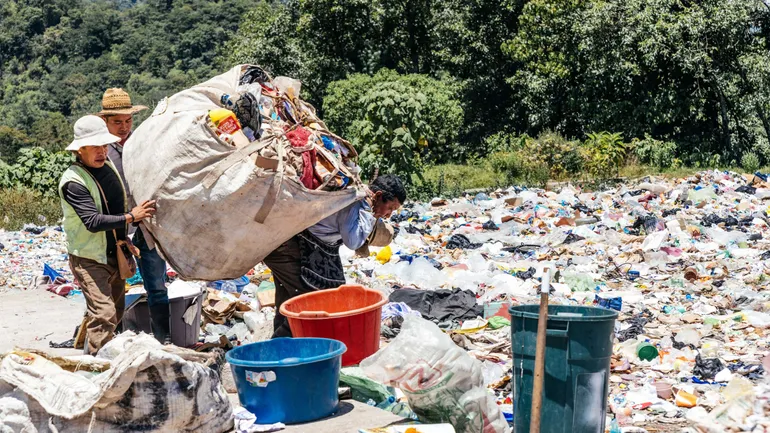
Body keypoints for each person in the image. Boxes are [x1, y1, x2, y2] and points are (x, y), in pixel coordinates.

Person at [59, 115, 156, 355]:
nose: (102, 152)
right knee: (104, 314)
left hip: (115, 251)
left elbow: (114, 205)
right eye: (95, 147)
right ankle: (99, 366)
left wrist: (125, 238)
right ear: (80, 150)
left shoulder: (107, 166)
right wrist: (131, 217)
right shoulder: (73, 181)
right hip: (90, 258)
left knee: (116, 310)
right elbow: (92, 221)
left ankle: (100, 352)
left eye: (104, 145)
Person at [264, 174, 406, 337]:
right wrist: (371, 216)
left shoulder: (357, 197)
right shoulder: (355, 202)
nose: (388, 215)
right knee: (310, 302)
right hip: (289, 247)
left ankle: (282, 349)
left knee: (288, 299)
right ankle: (279, 347)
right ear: (379, 195)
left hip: (290, 244)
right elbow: (352, 241)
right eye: (390, 208)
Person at [99, 88, 172, 344]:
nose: (124, 127)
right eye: (117, 122)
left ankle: (163, 341)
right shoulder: (99, 151)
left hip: (146, 225)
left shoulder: (142, 143)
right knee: (112, 290)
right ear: (105, 122)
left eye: (128, 121)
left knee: (157, 286)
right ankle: (113, 344)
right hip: (115, 228)